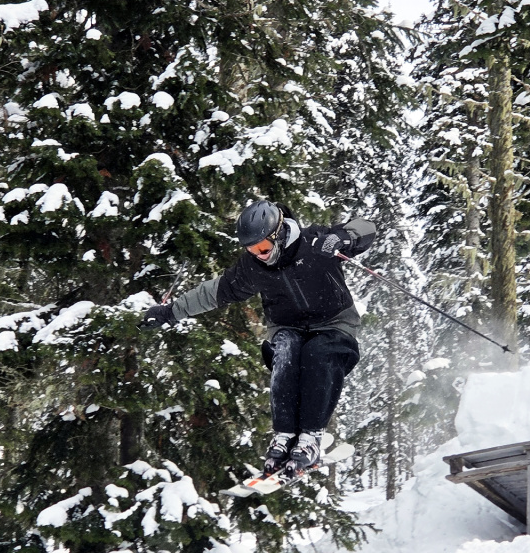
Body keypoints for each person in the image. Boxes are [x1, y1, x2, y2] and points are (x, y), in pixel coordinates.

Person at [142, 200, 375, 477]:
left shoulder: (314, 243)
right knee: (285, 351)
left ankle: (310, 437)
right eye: (252, 250)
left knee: (319, 353)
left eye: (263, 248)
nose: (260, 255)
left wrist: (344, 237)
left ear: (278, 234)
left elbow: (366, 228)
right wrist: (170, 312)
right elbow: (213, 292)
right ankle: (284, 435)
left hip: (335, 323)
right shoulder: (252, 268)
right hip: (287, 327)